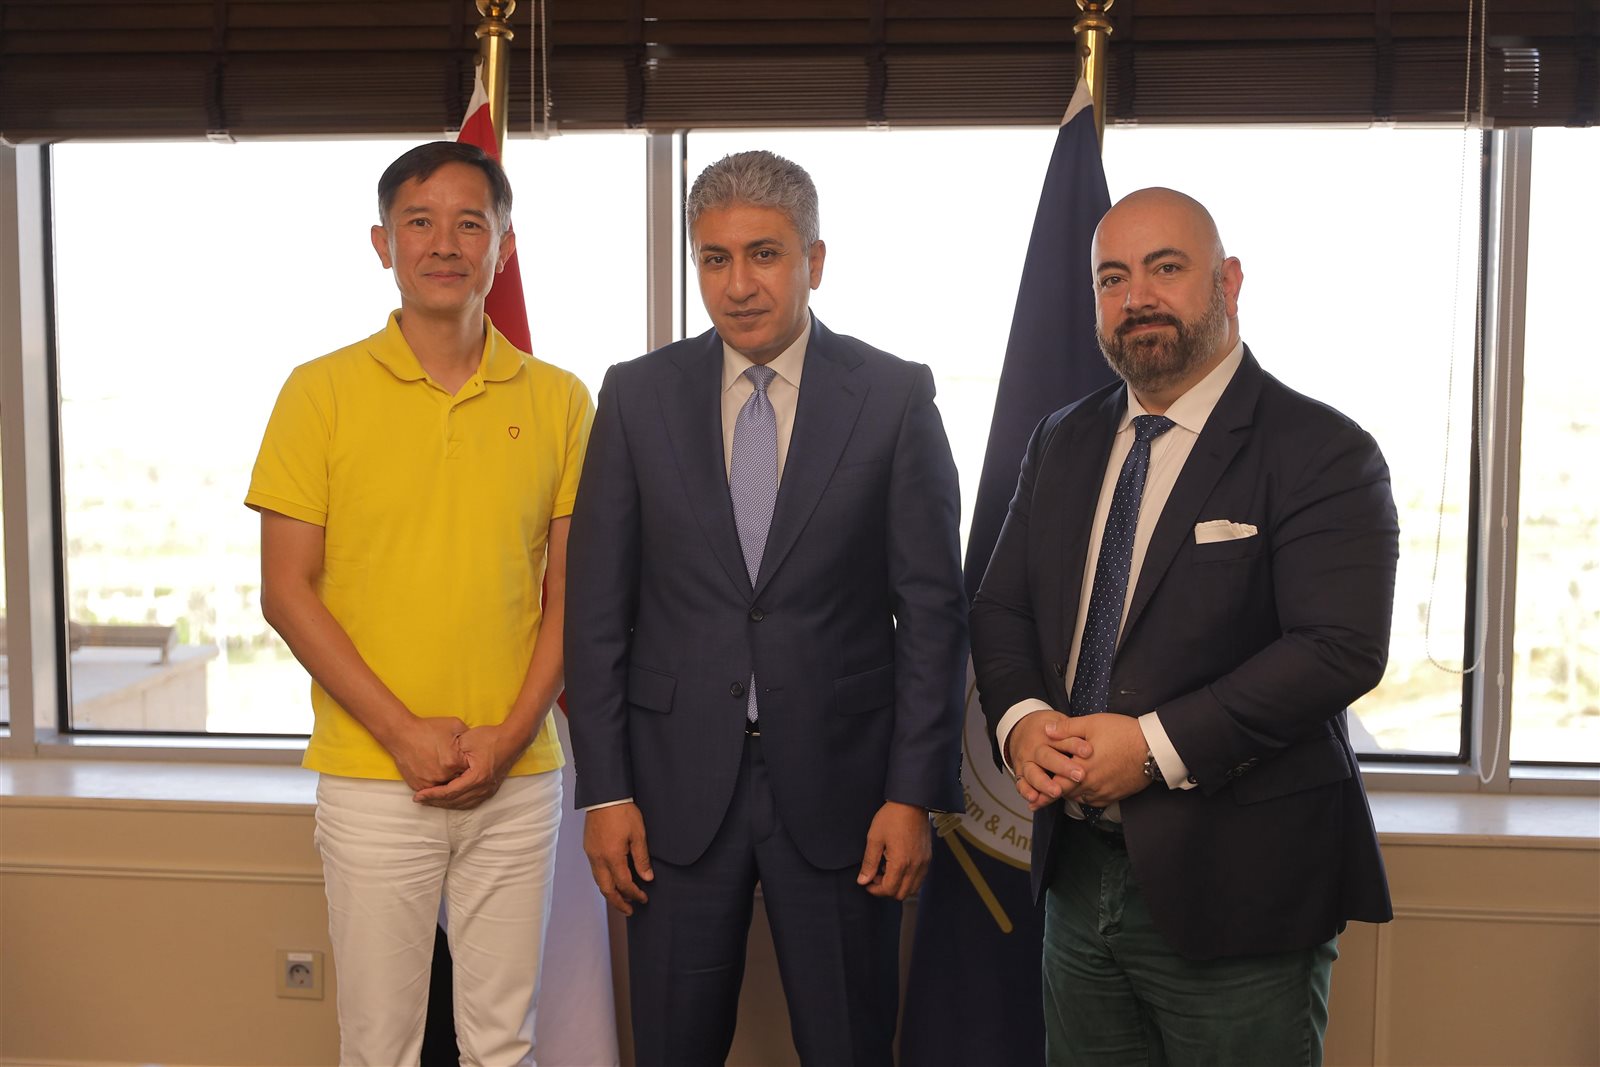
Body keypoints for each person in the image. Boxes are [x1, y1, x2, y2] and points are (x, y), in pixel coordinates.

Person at [970, 187, 1397, 1066]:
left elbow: (1337, 648)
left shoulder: (1323, 449)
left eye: (1165, 268)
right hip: (1075, 875)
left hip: (1242, 887)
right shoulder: (1061, 439)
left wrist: (1151, 747)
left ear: (1227, 281)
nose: (1137, 298)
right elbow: (1001, 605)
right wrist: (1022, 722)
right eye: (1112, 278)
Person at [565, 149, 967, 1067]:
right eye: (715, 258)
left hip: (846, 791)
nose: (738, 284)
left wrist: (912, 793)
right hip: (669, 794)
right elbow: (596, 612)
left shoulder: (894, 396)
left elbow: (932, 615)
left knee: (849, 1046)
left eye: (764, 254)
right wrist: (606, 789)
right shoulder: (635, 394)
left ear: (813, 260)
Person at [247, 141, 593, 1066]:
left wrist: (510, 736)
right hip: (372, 774)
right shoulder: (317, 392)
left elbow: (576, 592)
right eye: (420, 222)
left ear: (503, 248)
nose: (445, 243)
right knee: (380, 1047)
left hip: (518, 775)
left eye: (470, 224)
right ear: (382, 243)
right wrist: (402, 732)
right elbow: (286, 590)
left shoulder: (562, 400)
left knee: (503, 1044)